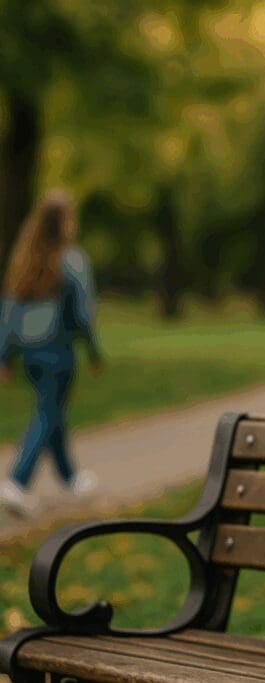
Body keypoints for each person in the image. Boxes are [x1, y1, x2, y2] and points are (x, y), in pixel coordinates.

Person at [0, 190, 103, 518]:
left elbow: (10, 314)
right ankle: (16, 481)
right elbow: (84, 314)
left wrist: (4, 356)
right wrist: (94, 351)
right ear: (65, 223)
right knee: (48, 414)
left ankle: (71, 478)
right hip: (58, 350)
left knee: (52, 410)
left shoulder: (24, 261)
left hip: (29, 353)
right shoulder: (71, 261)